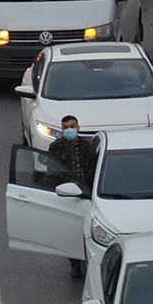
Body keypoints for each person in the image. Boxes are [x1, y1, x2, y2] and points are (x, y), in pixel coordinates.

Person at [47, 115, 97, 278]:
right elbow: (52, 171)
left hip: (88, 192)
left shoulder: (88, 146)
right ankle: (74, 263)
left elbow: (95, 167)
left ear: (78, 128)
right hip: (68, 193)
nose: (69, 130)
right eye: (65, 127)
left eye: (72, 126)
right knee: (70, 231)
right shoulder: (55, 147)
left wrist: (84, 183)